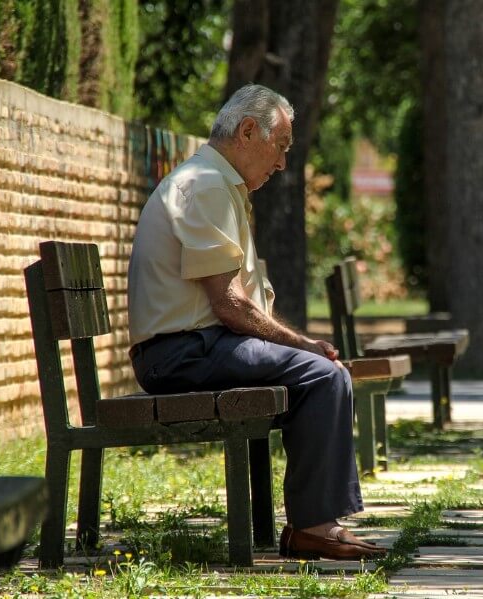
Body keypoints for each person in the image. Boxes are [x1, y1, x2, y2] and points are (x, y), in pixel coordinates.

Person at [126, 84, 383, 560]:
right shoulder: (204, 184)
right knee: (323, 375)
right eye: (280, 146)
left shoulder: (218, 184)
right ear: (248, 131)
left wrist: (296, 345)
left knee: (322, 377)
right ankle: (314, 527)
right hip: (181, 353)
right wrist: (301, 343)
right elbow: (230, 304)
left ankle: (314, 523)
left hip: (197, 347)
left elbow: (242, 305)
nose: (283, 163)